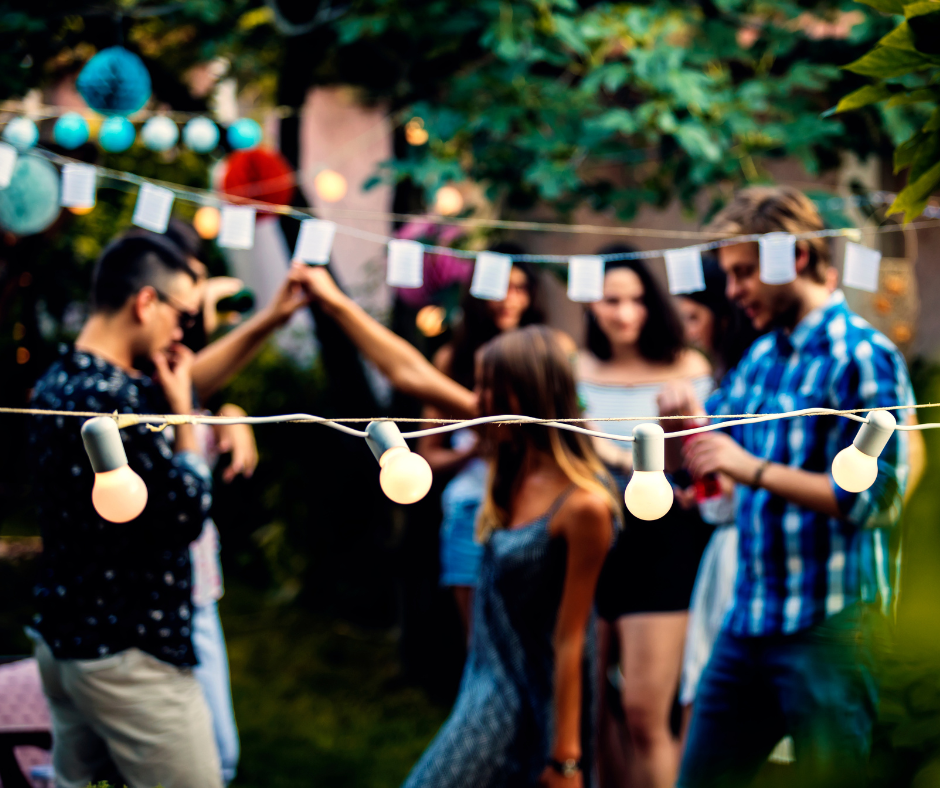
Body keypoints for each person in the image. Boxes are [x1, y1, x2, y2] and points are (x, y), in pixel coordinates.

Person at [658, 186, 916, 788]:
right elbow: (701, 467)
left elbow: (876, 500)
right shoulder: (762, 358)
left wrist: (748, 468)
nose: (733, 291)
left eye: (744, 273)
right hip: (749, 617)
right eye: (731, 275)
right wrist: (678, 434)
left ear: (794, 258)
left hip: (830, 626)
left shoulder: (863, 356)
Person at [28, 234, 221, 788]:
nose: (183, 331)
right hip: (129, 650)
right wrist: (185, 419)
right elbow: (184, 511)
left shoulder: (55, 381)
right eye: (182, 315)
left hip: (66, 635)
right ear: (145, 303)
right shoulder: (111, 401)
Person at [403, 325, 619, 788]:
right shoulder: (511, 460)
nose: (476, 400)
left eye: (486, 387)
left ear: (524, 394)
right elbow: (410, 373)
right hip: (483, 674)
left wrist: (566, 758)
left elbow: (572, 639)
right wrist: (332, 303)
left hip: (523, 699)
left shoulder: (584, 506)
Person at [577, 249, 712, 788]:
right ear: (593, 303)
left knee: (644, 712)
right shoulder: (576, 370)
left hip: (664, 545)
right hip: (592, 538)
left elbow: (702, 467)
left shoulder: (690, 368)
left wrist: (677, 437)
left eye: (636, 300)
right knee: (591, 707)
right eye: (612, 300)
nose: (625, 313)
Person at [418, 246, 543, 638]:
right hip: (472, 507)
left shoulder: (548, 351)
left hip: (536, 507)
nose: (509, 298)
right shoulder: (453, 359)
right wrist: (473, 450)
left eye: (520, 288)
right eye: (499, 287)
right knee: (482, 644)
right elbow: (428, 456)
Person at [673, 257, 761, 736]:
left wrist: (695, 425)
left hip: (742, 555)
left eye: (694, 317)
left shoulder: (746, 384)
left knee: (714, 705)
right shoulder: (727, 383)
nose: (689, 333)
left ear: (724, 316)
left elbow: (727, 494)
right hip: (723, 552)